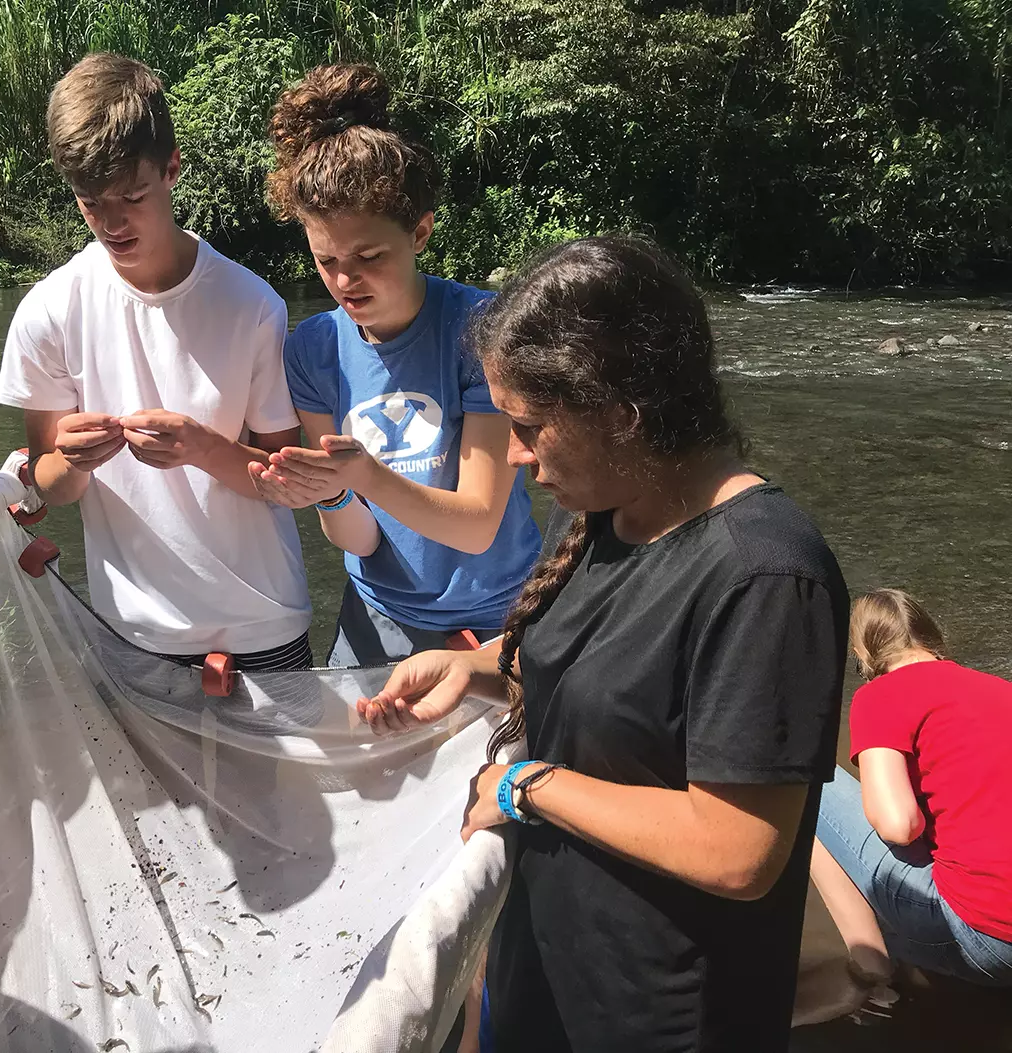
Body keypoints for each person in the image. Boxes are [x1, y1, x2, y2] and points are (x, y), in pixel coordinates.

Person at [356, 237, 849, 1051]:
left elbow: (739, 847)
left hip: (659, 1015)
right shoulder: (606, 504)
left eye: (529, 427)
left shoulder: (764, 575)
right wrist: (476, 668)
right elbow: (610, 685)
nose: (515, 454)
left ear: (621, 414)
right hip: (547, 976)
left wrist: (528, 786)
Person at [0, 53, 313, 669]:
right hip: (134, 633)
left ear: (171, 169)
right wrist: (72, 458)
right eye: (90, 202)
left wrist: (200, 446)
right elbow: (51, 483)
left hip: (262, 622)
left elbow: (288, 484)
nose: (112, 222)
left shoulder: (252, 305)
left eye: (131, 196)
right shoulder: (49, 311)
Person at [251, 64, 542, 667]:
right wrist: (330, 495)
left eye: (369, 256)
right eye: (325, 259)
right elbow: (358, 537)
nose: (344, 280)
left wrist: (361, 474)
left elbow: (477, 524)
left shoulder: (482, 330)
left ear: (422, 232)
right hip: (381, 609)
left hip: (498, 614)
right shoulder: (312, 350)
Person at [809, 589, 1012, 989]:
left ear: (863, 653)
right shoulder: (999, 689)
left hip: (989, 941)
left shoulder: (879, 696)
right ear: (931, 636)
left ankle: (870, 966)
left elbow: (898, 825)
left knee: (809, 786)